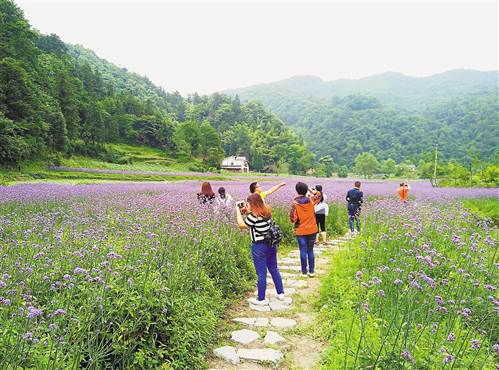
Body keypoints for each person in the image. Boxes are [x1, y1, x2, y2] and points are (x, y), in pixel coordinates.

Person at [235, 193, 285, 305]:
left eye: (248, 204)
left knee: (261, 273)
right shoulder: (267, 211)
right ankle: (280, 293)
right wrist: (247, 211)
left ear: (253, 204)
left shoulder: (253, 217)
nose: (247, 205)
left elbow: (241, 225)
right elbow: (257, 217)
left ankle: (261, 299)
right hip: (271, 244)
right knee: (274, 269)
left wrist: (237, 210)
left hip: (259, 247)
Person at [290, 182, 322, 277]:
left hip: (301, 230)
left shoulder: (294, 203)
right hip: (312, 229)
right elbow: (319, 194)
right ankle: (312, 271)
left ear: (297, 190)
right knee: (310, 250)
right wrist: (309, 189)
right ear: (306, 190)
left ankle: (304, 272)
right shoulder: (311, 200)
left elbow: (293, 219)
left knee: (303, 250)